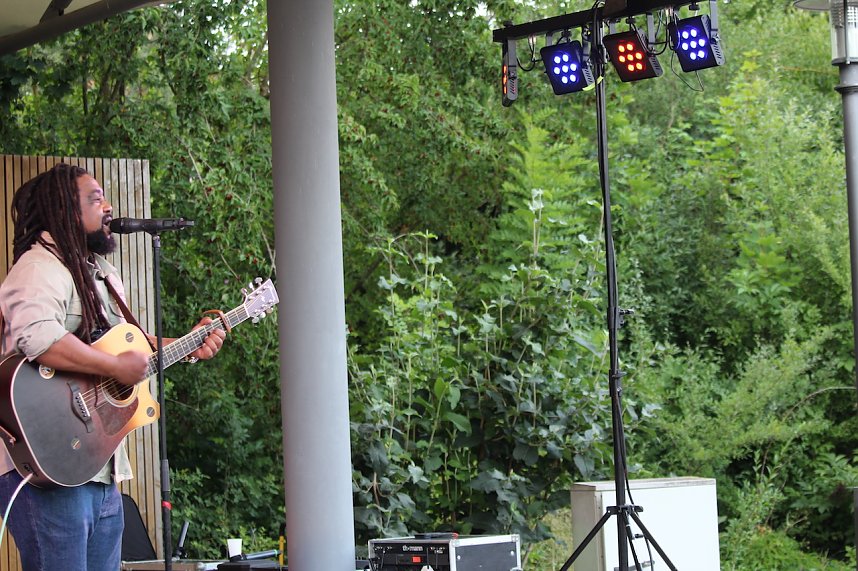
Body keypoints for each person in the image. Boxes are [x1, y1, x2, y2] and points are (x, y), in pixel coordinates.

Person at [0, 163, 226, 571]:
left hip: (100, 471)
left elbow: (126, 349)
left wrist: (189, 345)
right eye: (96, 198)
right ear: (64, 211)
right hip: (48, 466)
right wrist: (114, 367)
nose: (109, 207)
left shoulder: (100, 273)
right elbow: (36, 338)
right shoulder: (39, 267)